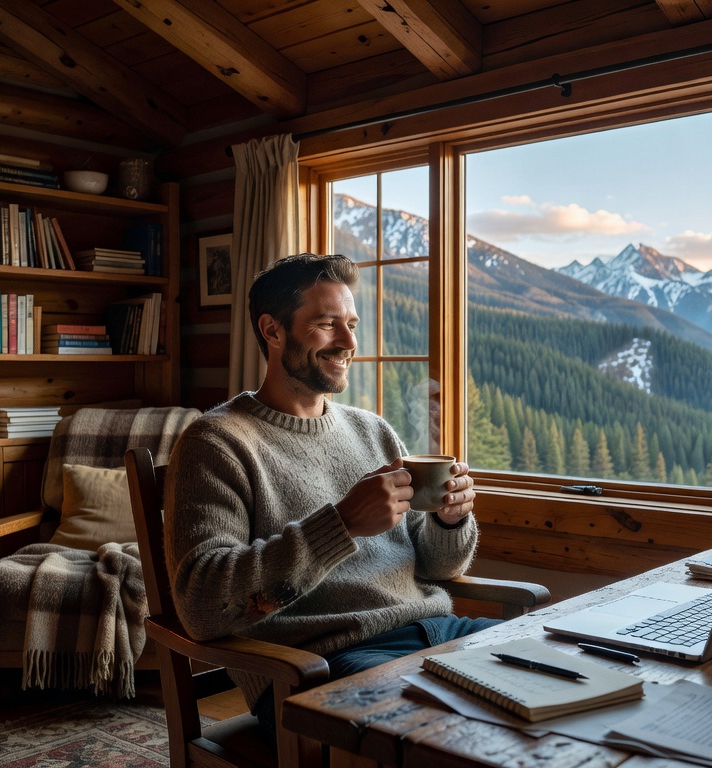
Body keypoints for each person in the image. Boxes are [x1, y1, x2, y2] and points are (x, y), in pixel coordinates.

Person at [166, 253, 496, 737]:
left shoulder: (373, 432)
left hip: (436, 633)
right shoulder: (216, 442)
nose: (349, 342)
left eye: (352, 324)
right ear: (273, 331)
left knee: (571, 681)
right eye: (326, 325)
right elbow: (201, 607)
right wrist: (340, 525)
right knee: (462, 740)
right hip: (322, 664)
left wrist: (449, 520)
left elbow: (439, 570)